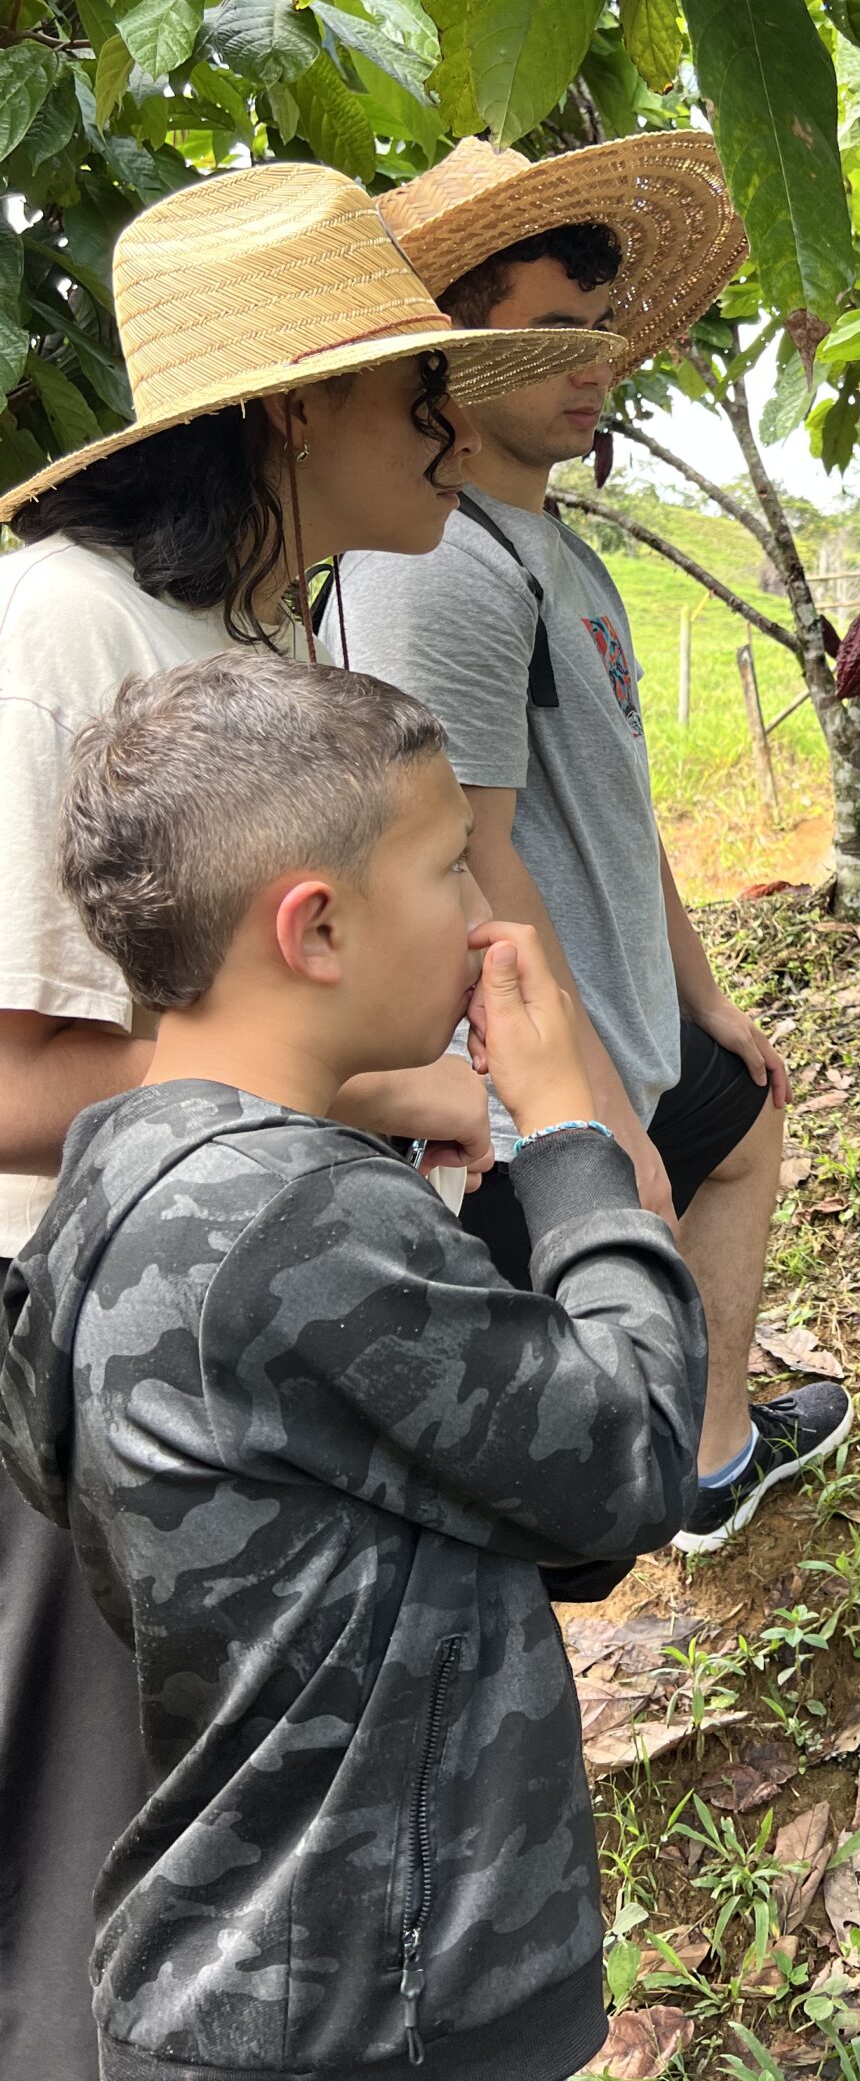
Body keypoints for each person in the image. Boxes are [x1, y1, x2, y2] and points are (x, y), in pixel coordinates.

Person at [0, 162, 617, 2081]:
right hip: (97, 1374)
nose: (452, 423)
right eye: (409, 387)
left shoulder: (257, 665)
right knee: (83, 1873)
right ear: (290, 409)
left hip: (301, 1353)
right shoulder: (59, 635)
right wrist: (385, 1083)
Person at [0, 652, 706, 2081]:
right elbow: (630, 1463)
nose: (488, 916)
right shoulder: (303, 1223)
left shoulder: (118, 1176)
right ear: (316, 929)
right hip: (377, 2013)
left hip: (240, 1983)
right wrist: (572, 1133)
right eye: (451, 867)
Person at [347, 136, 850, 1556]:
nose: (594, 363)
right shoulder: (437, 571)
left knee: (743, 1127)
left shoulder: (555, 554)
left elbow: (616, 809)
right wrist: (580, 1107)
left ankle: (712, 1453)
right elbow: (472, 862)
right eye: (545, 335)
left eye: (598, 332)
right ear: (443, 359)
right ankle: (634, 1506)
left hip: (617, 1022)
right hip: (534, 1076)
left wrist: (701, 1000)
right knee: (521, 1475)